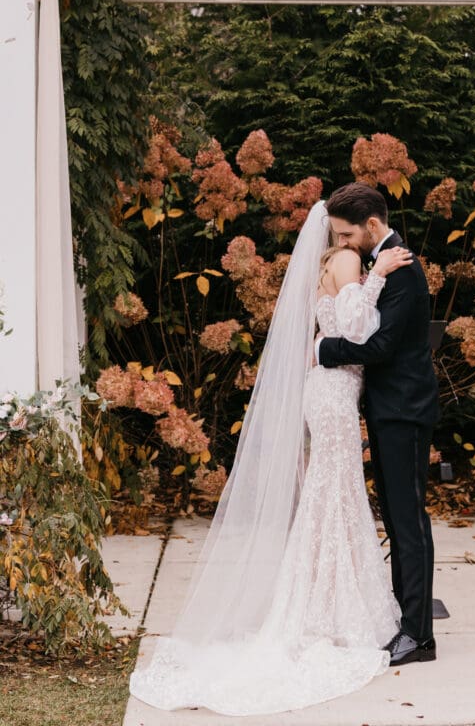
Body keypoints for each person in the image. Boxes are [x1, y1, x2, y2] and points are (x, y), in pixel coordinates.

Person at [128, 199, 414, 716]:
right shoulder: (350, 261)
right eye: (341, 232)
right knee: (336, 493)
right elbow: (356, 328)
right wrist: (377, 278)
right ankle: (328, 607)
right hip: (333, 394)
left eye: (346, 232)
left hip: (328, 390)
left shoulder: (330, 263)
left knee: (332, 493)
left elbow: (335, 326)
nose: (346, 239)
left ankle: (322, 599)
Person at [315, 182, 440, 667]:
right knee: (396, 518)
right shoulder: (380, 263)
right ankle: (404, 622)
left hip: (405, 411)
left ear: (371, 225)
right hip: (388, 410)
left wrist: (323, 349)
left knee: (409, 522)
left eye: (347, 235)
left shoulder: (402, 267)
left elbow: (380, 345)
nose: (342, 243)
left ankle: (419, 637)